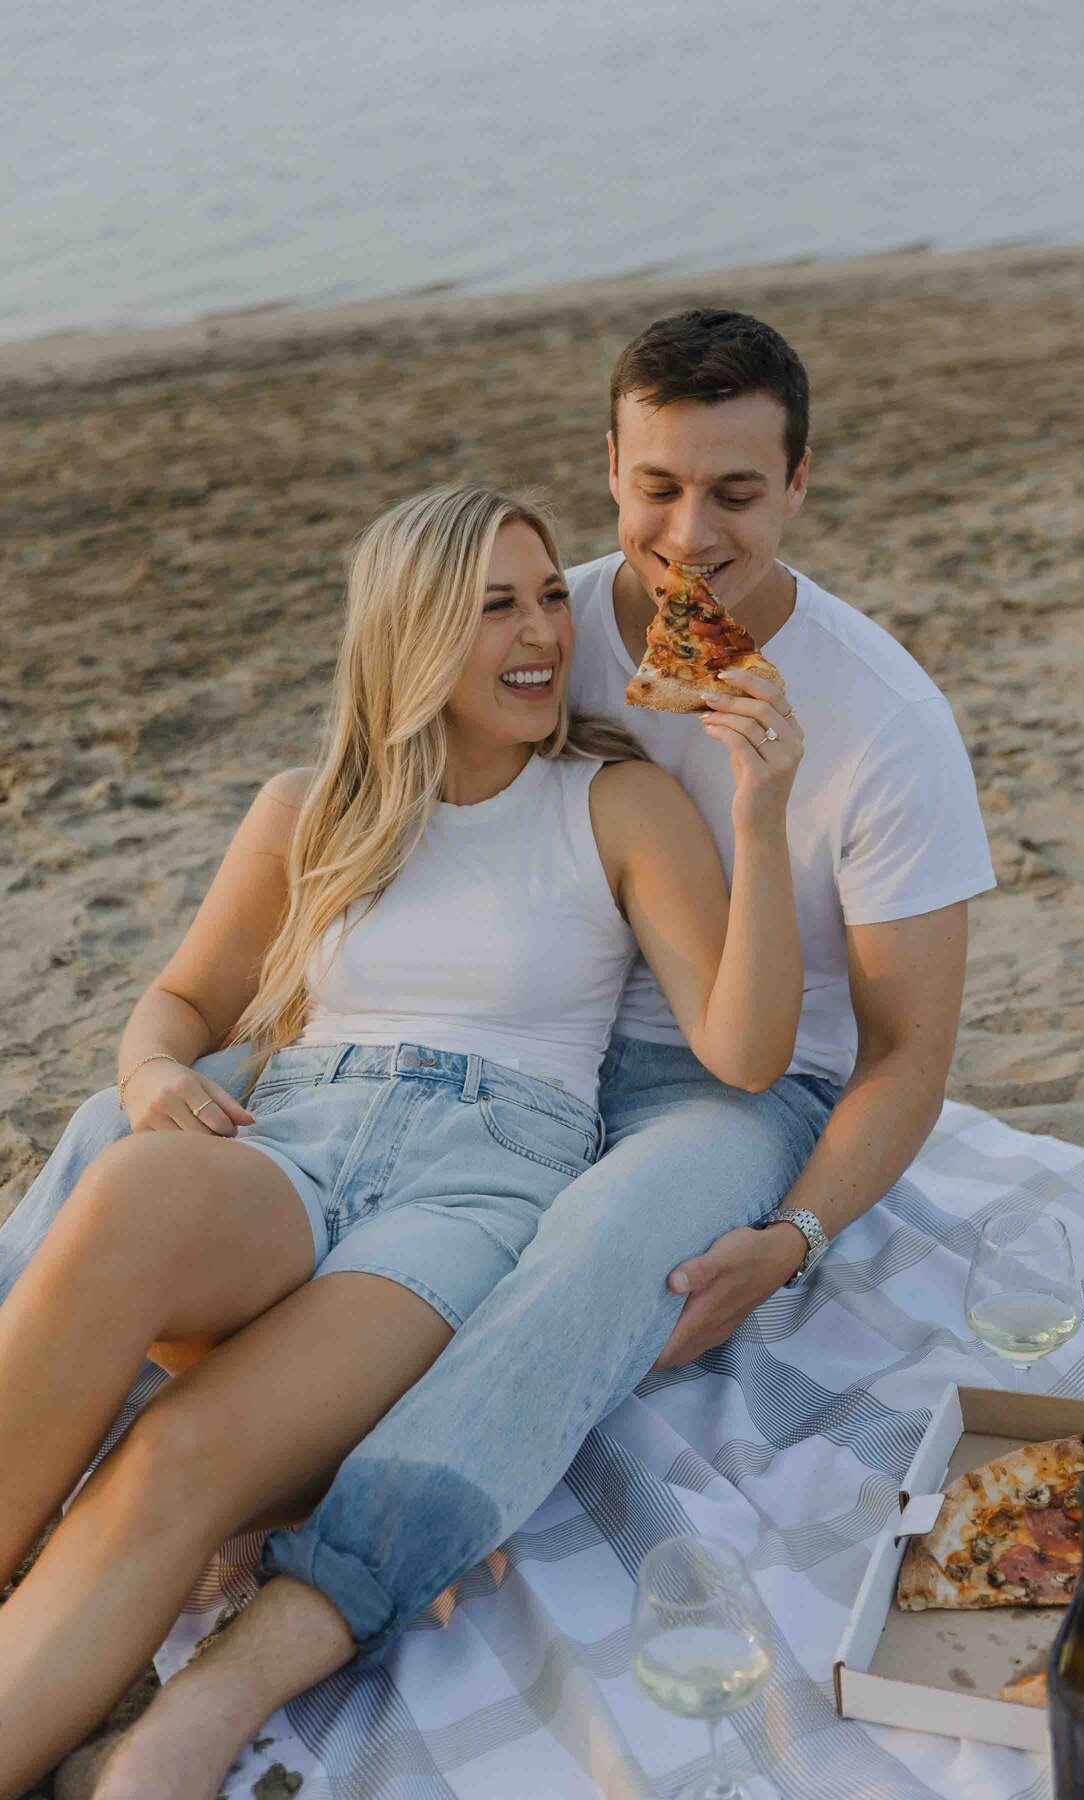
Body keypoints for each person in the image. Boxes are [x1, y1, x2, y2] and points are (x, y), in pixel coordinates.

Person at [0, 309, 995, 1800]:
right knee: (114, 1163)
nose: (687, 536)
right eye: (658, 489)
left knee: (589, 1258)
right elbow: (199, 992)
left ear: (799, 484)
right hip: (331, 1122)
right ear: (611, 473)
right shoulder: (567, 630)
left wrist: (795, 1233)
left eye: (735, 492)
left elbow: (889, 1058)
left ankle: (260, 1650)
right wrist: (158, 1078)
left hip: (702, 1097)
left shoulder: (874, 726)